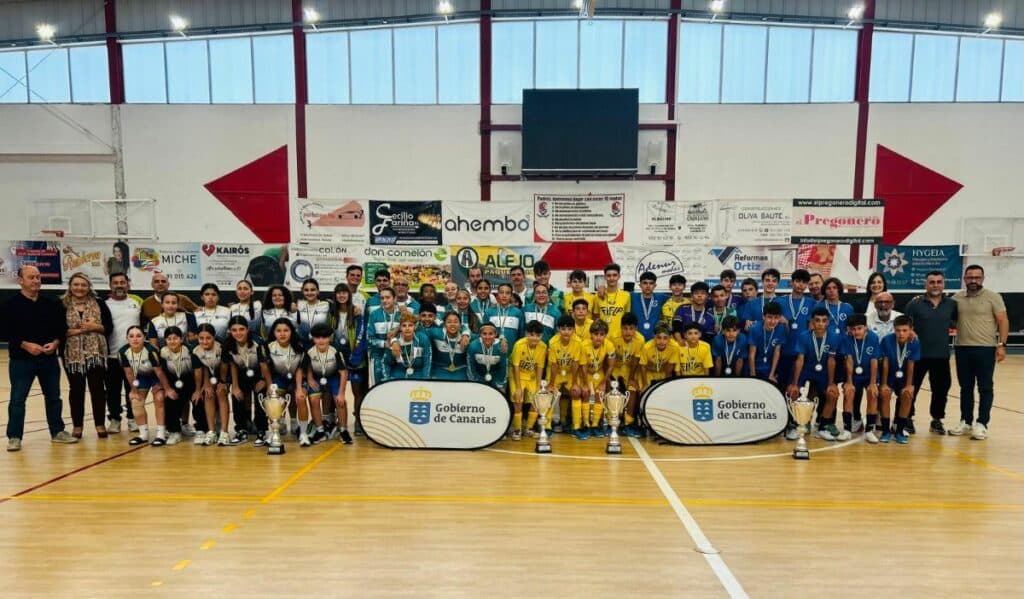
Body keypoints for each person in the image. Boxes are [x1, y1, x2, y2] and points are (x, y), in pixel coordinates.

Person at [3, 265, 77, 451]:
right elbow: (5, 331)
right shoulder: (10, 305)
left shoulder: (51, 304)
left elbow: (61, 328)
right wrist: (25, 344)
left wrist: (55, 343)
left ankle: (57, 431)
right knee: (18, 399)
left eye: (38, 277)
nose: (36, 280)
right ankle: (14, 436)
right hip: (21, 360)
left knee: (54, 397)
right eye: (31, 277)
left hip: (48, 359)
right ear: (21, 280)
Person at [949, 265, 1009, 440]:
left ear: (982, 279)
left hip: (985, 348)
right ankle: (966, 421)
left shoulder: (993, 297)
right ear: (964, 279)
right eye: (970, 277)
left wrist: (1001, 345)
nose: (973, 280)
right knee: (965, 387)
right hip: (962, 348)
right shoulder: (956, 298)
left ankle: (982, 423)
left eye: (977, 277)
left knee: (985, 387)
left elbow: (1003, 320)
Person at [60, 272, 114, 439]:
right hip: (72, 355)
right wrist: (79, 331)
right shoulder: (61, 304)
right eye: (76, 284)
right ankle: (77, 426)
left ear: (89, 287)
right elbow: (57, 329)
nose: (80, 288)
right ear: (70, 286)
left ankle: (100, 424)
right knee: (76, 389)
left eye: (83, 285)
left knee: (97, 388)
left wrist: (94, 327)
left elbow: (109, 327)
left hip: (96, 353)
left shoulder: (99, 303)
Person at [903, 271, 958, 435]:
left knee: (941, 390)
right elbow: (904, 325)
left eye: (939, 282)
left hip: (941, 356)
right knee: (911, 388)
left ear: (944, 284)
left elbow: (956, 322)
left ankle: (937, 420)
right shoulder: (914, 304)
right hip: (917, 355)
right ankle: (906, 418)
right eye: (932, 282)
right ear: (925, 284)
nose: (935, 285)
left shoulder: (952, 304)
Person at [787, 307, 847, 441]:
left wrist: (831, 383)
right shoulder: (803, 336)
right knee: (793, 392)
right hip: (806, 369)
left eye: (824, 321)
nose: (820, 323)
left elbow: (831, 360)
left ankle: (823, 426)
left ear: (828, 322)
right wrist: (795, 383)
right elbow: (800, 360)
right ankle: (796, 424)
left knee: (833, 394)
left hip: (823, 371)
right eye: (817, 320)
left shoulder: (834, 337)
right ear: (812, 322)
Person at [119, 325, 173, 446]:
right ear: (127, 338)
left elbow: (159, 371)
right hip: (141, 377)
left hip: (156, 376)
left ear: (144, 338)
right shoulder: (122, 352)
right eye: (131, 336)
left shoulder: (151, 350)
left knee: (159, 398)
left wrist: (167, 388)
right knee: (136, 401)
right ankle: (143, 434)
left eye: (138, 336)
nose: (135, 339)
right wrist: (134, 390)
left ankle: (161, 434)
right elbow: (129, 373)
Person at [223, 315, 272, 446]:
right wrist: (235, 386)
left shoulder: (258, 342)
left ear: (247, 329)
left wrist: (265, 382)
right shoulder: (228, 344)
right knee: (237, 395)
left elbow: (264, 365)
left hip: (258, 374)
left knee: (260, 395)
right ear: (230, 331)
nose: (238, 333)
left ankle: (261, 430)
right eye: (234, 330)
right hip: (241, 374)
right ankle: (241, 430)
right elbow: (232, 365)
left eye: (241, 329)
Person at [104, 272, 143, 434]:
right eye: (116, 282)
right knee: (112, 390)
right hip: (111, 356)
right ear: (110, 285)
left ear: (128, 284)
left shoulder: (136, 302)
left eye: (122, 282)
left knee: (133, 389)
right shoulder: (104, 304)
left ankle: (133, 418)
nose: (119, 285)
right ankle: (115, 419)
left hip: (134, 356)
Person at [301, 323, 352, 445]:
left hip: (333, 377)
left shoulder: (336, 350)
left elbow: (343, 372)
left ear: (330, 338)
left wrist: (341, 393)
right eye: (317, 337)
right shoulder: (309, 351)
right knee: (313, 400)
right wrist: (310, 378)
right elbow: (307, 366)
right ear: (313, 338)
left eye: (324, 337)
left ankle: (343, 430)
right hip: (317, 378)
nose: (321, 340)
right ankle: (320, 431)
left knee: (340, 401)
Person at [266, 318, 313, 443]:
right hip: (279, 377)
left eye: (286, 330)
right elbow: (265, 368)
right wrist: (269, 385)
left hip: (297, 377)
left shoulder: (300, 346)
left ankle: (303, 433)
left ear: (292, 332)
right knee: (273, 398)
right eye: (278, 331)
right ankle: (274, 431)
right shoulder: (268, 347)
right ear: (274, 332)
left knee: (300, 398)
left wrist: (299, 388)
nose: (282, 334)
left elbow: (300, 369)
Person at [879, 316, 920, 444]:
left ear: (911, 330)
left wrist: (908, 385)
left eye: (904, 330)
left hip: (905, 377)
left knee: (907, 395)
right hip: (889, 376)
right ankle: (885, 431)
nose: (901, 333)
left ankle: (900, 431)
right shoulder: (887, 340)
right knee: (885, 394)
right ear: (894, 329)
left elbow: (911, 364)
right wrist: (884, 384)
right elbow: (885, 363)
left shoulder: (914, 342)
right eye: (898, 330)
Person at [840, 314, 881, 443]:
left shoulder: (873, 338)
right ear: (849, 329)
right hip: (853, 375)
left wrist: (873, 383)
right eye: (853, 329)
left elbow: (874, 361)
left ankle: (869, 431)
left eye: (859, 328)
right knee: (849, 392)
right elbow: (849, 360)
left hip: (869, 375)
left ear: (866, 327)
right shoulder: (847, 338)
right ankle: (847, 430)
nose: (856, 332)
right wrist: (849, 382)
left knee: (872, 394)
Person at [575, 320, 616, 440]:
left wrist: (603, 382)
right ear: (591, 334)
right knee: (586, 393)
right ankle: (586, 424)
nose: (598, 337)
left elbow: (611, 366)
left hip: (599, 373)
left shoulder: (609, 345)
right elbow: (583, 366)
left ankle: (595, 425)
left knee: (600, 394)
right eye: (596, 334)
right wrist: (585, 384)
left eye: (602, 334)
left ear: (605, 335)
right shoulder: (584, 345)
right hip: (586, 373)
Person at [192, 323, 230, 446]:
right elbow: (202, 369)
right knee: (208, 393)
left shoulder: (222, 346)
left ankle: (224, 432)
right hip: (209, 375)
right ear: (197, 338)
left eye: (208, 338)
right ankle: (211, 431)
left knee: (221, 392)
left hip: (225, 374)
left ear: (214, 337)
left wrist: (223, 382)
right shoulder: (195, 350)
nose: (205, 341)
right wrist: (202, 387)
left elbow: (225, 366)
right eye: (201, 338)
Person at [158, 326, 197, 446]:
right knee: (169, 399)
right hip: (173, 384)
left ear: (181, 339)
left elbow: (198, 371)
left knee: (198, 400)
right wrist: (166, 389)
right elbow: (160, 372)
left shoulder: (190, 351)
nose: (172, 341)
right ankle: (174, 432)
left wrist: (198, 389)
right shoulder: (162, 352)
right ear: (165, 340)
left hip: (190, 383)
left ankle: (201, 430)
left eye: (175, 338)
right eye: (169, 339)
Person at [509, 320, 548, 440]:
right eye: (531, 335)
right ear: (526, 334)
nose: (534, 338)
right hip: (517, 375)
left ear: (541, 336)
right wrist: (518, 388)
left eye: (538, 335)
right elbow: (515, 366)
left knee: (536, 400)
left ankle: (529, 428)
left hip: (531, 376)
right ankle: (517, 429)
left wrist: (538, 386)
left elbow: (540, 367)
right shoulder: (519, 345)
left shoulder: (543, 346)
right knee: (518, 400)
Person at [546, 315, 582, 433]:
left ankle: (576, 426)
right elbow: (554, 365)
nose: (566, 332)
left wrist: (575, 383)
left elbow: (576, 364)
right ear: (558, 329)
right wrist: (551, 384)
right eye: (563, 329)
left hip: (570, 372)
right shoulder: (552, 342)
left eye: (569, 329)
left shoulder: (578, 342)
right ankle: (547, 425)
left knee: (575, 392)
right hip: (555, 372)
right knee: (549, 394)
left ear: (574, 330)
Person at [778, 269, 812, 390]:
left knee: (797, 388)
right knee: (781, 386)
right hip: (783, 350)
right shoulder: (780, 301)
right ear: (791, 282)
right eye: (798, 281)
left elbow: (811, 329)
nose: (800, 285)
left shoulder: (811, 303)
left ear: (807, 285)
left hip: (801, 353)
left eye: (804, 282)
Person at [611, 313, 644, 437]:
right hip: (615, 368)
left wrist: (631, 378)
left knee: (632, 390)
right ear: (621, 328)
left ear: (636, 329)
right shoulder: (613, 337)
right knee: (613, 390)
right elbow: (608, 358)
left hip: (630, 369)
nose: (628, 332)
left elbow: (636, 360)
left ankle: (628, 422)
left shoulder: (640, 340)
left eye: (631, 329)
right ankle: (613, 420)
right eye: (625, 328)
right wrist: (609, 377)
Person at [366, 287, 401, 385]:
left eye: (388, 297)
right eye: (382, 298)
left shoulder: (401, 314)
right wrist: (384, 343)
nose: (385, 300)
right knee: (378, 388)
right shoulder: (374, 314)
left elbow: (412, 328)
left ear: (395, 298)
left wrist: (397, 331)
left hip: (398, 357)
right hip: (378, 357)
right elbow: (368, 338)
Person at [384, 312, 432, 380]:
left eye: (410, 325)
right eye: (404, 325)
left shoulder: (423, 339)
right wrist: (387, 379)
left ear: (414, 327)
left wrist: (425, 379)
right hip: (399, 373)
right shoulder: (394, 341)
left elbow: (427, 362)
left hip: (418, 373)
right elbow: (386, 363)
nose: (407, 328)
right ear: (400, 328)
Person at [746, 302, 786, 383]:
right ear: (763, 317)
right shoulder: (755, 329)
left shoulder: (781, 328)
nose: (773, 321)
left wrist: (771, 374)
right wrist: (753, 375)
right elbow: (751, 354)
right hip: (754, 366)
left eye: (776, 318)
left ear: (780, 318)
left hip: (769, 367)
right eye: (769, 317)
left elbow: (777, 352)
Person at [427, 311, 471, 380]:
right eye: (449, 322)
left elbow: (482, 336)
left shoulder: (467, 338)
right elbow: (421, 331)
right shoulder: (436, 333)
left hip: (460, 370)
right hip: (440, 370)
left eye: (456, 322)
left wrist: (466, 333)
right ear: (444, 324)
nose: (452, 324)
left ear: (460, 324)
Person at [466, 322, 508, 391]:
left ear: (495, 334)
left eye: (491, 334)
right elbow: (471, 368)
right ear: (480, 334)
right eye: (484, 334)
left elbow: (503, 369)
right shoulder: (473, 346)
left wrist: (498, 384)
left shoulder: (502, 347)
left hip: (496, 379)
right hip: (478, 378)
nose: (487, 337)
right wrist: (480, 383)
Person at [594, 263, 631, 339]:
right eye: (609, 275)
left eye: (614, 275)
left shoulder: (626, 295)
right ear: (605, 277)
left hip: (619, 337)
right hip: (602, 337)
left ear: (619, 276)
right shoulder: (597, 296)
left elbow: (627, 319)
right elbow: (596, 318)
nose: (612, 278)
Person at [485, 283, 524, 351]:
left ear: (511, 295)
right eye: (501, 292)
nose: (504, 295)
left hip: (512, 351)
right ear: (498, 295)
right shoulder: (489, 312)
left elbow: (521, 335)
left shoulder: (518, 312)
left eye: (507, 293)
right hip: (493, 352)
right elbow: (484, 333)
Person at [296, 278, 331, 346]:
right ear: (302, 291)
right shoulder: (299, 306)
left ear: (318, 291)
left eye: (313, 290)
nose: (309, 293)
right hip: (304, 344)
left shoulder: (326, 305)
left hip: (322, 344)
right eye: (306, 290)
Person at [631, 271, 664, 340]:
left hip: (654, 340)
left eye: (651, 283)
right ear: (640, 285)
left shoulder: (661, 297)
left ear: (655, 285)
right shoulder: (631, 296)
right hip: (636, 340)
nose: (648, 286)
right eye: (645, 283)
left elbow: (676, 299)